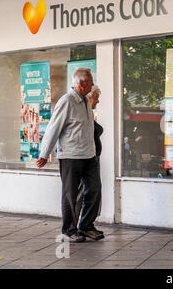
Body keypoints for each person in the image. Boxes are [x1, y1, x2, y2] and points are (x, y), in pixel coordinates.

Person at [36, 68, 103, 242]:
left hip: (89, 156)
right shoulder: (67, 101)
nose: (92, 84)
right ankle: (69, 230)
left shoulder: (86, 102)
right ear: (81, 83)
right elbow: (53, 128)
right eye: (90, 81)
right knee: (70, 195)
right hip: (71, 157)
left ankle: (86, 226)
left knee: (94, 189)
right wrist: (44, 153)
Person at [75, 85, 103, 237]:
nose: (97, 101)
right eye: (96, 98)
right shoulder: (78, 111)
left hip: (92, 157)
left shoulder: (89, 114)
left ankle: (86, 225)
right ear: (88, 97)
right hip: (81, 158)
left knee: (94, 190)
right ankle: (74, 228)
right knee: (80, 193)